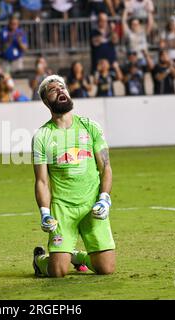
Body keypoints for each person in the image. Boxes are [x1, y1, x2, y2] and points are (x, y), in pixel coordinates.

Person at [32, 74, 116, 278]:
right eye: (53, 89)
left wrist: (104, 199)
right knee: (58, 272)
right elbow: (42, 181)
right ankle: (40, 260)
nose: (60, 90)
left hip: (92, 206)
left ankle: (77, 256)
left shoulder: (90, 127)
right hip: (63, 209)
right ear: (46, 101)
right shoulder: (42, 136)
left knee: (106, 269)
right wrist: (45, 213)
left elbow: (105, 167)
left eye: (62, 87)